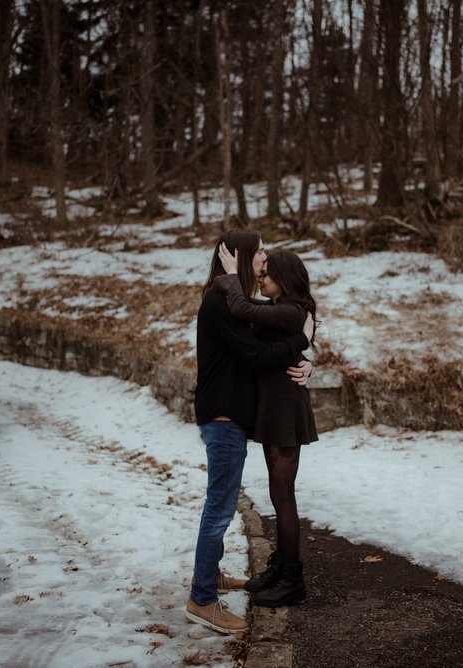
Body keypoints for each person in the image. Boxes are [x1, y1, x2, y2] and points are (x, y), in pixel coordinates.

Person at [186, 229, 314, 635]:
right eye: (259, 252)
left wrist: (304, 357)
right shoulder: (222, 304)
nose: (265, 258)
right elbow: (259, 354)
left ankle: (210, 577)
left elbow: (272, 323)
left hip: (231, 417)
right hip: (223, 418)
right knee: (220, 509)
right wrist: (301, 340)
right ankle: (202, 599)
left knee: (221, 506)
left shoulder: (234, 304)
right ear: (239, 258)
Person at [214, 246, 318, 608]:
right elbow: (285, 347)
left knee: (284, 497)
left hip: (285, 410)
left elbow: (242, 307)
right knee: (278, 496)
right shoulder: (285, 311)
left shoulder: (293, 310)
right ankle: (282, 568)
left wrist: (230, 275)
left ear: (285, 278)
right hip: (275, 407)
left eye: (266, 274)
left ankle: (293, 580)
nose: (261, 278)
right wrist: (306, 358)